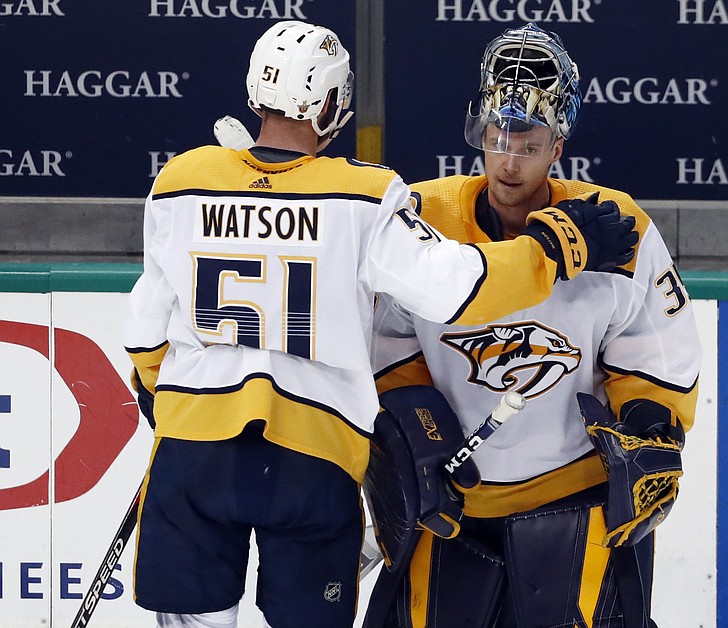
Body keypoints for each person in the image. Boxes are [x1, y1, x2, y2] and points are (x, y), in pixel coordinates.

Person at [122, 20, 637, 628]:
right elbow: (451, 285)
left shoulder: (181, 180)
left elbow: (145, 331)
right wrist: (551, 249)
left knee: (190, 619)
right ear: (327, 103)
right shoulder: (362, 197)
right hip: (309, 458)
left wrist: (166, 397)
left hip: (193, 449)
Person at [364, 23, 702, 628]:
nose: (509, 162)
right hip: (451, 501)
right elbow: (386, 338)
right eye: (498, 138)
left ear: (558, 148)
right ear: (480, 134)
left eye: (528, 143)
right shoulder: (422, 218)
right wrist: (415, 427)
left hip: (573, 497)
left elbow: (657, 350)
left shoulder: (613, 227)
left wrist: (651, 428)